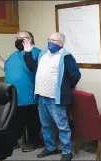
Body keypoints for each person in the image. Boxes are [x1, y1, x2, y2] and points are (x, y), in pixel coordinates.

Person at [23, 32, 81, 161]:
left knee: (62, 126)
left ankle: (67, 152)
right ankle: (51, 148)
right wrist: (27, 53)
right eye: (48, 39)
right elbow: (34, 68)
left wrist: (64, 88)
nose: (49, 41)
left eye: (52, 40)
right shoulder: (43, 54)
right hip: (42, 96)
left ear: (60, 43)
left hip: (56, 98)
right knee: (46, 125)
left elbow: (75, 76)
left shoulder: (66, 57)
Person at [0, 30, 43, 153]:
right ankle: (14, 141)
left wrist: (28, 52)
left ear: (30, 39)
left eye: (22, 38)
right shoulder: (14, 55)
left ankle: (35, 141)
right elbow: (5, 67)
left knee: (31, 122)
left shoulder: (37, 53)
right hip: (12, 97)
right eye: (17, 38)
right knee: (13, 121)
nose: (18, 40)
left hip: (28, 96)